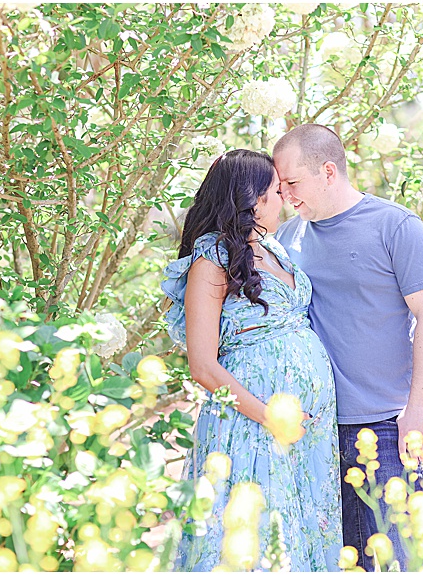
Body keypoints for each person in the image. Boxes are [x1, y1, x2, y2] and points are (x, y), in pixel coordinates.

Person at [272, 124, 423, 572]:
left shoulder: (395, 226)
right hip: (313, 433)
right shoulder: (288, 240)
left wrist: (418, 410)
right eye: (280, 185)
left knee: (394, 562)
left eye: (293, 183)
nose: (286, 195)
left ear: (328, 171)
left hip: (385, 429)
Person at [161, 149, 343, 571]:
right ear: (253, 198)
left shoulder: (275, 249)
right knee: (254, 543)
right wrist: (270, 417)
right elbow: (203, 365)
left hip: (306, 431)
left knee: (299, 535)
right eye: (277, 191)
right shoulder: (211, 262)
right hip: (250, 424)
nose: (285, 199)